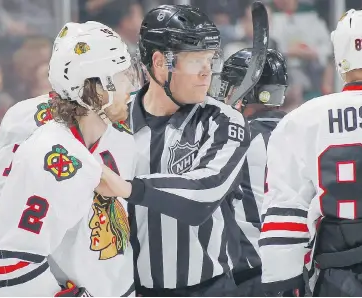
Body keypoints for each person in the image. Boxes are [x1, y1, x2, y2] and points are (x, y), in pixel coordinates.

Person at [95, 4, 251, 296]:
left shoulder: (223, 120)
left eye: (210, 60)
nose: (207, 72)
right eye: (195, 61)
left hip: (209, 290)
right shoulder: (113, 121)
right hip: (129, 290)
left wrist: (129, 188)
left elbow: (205, 193)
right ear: (159, 62)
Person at [0, 23, 144, 296]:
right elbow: (5, 253)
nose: (132, 85)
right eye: (122, 74)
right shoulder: (47, 152)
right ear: (97, 85)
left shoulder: (123, 139)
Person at [259, 7, 362, 296]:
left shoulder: (302, 119)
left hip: (340, 280)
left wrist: (283, 280)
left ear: (340, 61)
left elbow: (285, 213)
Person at [218, 48, 288, 297]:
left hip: (250, 278)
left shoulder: (233, 139)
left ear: (244, 90)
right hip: (299, 274)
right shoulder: (302, 131)